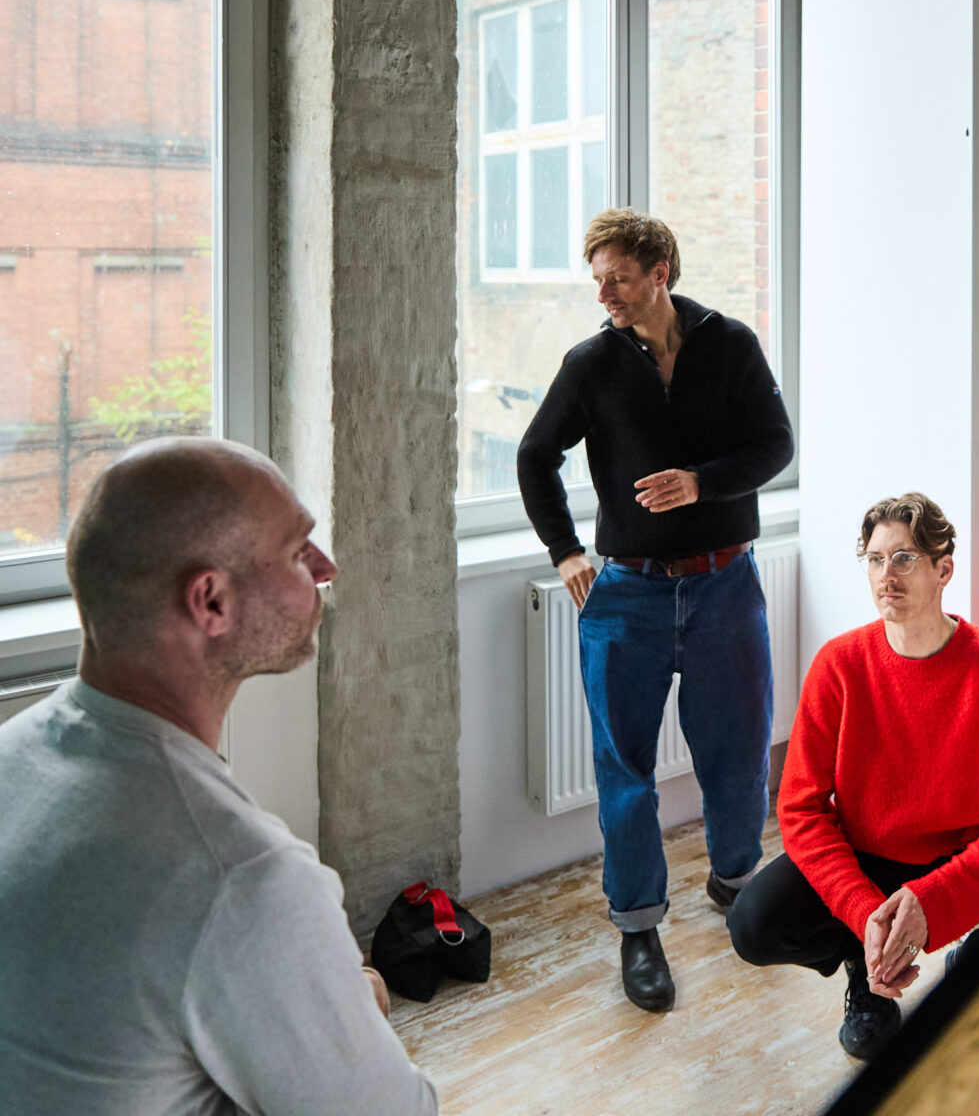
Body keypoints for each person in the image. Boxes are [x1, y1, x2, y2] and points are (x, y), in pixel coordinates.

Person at [0, 438, 438, 1114]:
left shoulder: (15, 756)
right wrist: (361, 1003)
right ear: (210, 602)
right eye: (297, 551)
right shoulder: (243, 878)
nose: (326, 567)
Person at [516, 209, 794, 1013]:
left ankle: (735, 880)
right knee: (625, 773)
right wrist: (566, 552)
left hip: (725, 586)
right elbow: (535, 455)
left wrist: (702, 483)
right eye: (597, 280)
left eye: (618, 279)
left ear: (659, 272)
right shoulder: (590, 364)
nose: (603, 294)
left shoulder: (730, 344)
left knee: (738, 754)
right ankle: (638, 926)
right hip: (626, 598)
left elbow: (775, 445)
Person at [727, 494, 979, 1059]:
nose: (886, 575)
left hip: (958, 857)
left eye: (903, 558)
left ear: (943, 570)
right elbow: (800, 807)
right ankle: (865, 961)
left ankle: (973, 950)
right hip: (868, 856)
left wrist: (937, 902)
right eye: (875, 560)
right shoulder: (839, 664)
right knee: (752, 924)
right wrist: (863, 916)